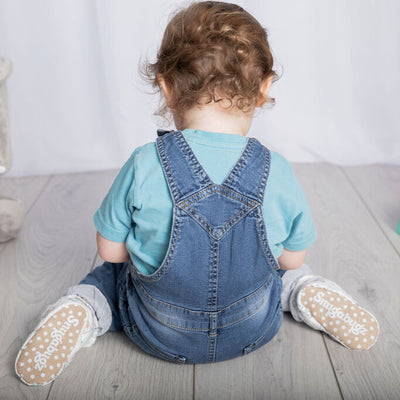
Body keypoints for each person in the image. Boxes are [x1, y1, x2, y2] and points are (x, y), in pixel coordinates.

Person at [15, 1, 379, 387]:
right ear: (264, 88)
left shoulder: (144, 163)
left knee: (111, 274)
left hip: (157, 331)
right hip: (252, 330)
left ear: (166, 88)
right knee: (281, 270)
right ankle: (304, 291)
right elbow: (293, 255)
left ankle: (84, 308)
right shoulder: (277, 170)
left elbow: (110, 251)